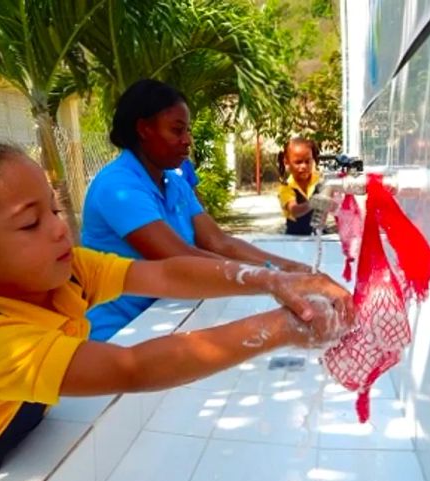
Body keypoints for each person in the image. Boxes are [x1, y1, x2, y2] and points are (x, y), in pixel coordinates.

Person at [0, 139, 353, 481]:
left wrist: (274, 279)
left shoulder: (65, 272)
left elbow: (166, 272)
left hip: (5, 438)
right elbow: (133, 367)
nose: (60, 228)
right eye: (30, 224)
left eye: (54, 210)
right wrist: (283, 327)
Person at [81, 79, 312, 341]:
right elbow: (179, 257)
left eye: (187, 131)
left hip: (173, 311)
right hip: (121, 331)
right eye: (177, 131)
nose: (187, 140)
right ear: (144, 129)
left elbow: (218, 241)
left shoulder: (174, 181)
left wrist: (288, 267)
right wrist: (271, 280)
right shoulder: (117, 187)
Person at [278, 137, 323, 236]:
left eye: (308, 161)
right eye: (298, 162)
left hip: (318, 236)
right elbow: (294, 210)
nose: (303, 166)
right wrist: (313, 203)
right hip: (295, 239)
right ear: (286, 162)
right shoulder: (287, 187)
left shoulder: (320, 180)